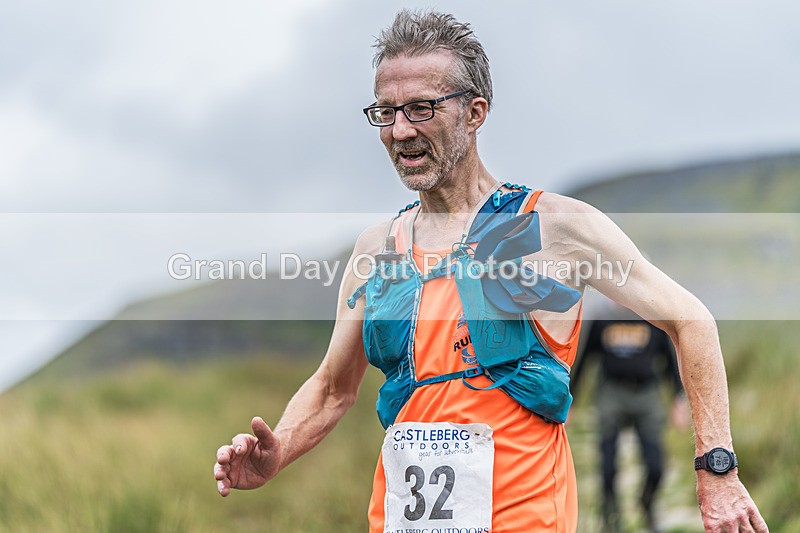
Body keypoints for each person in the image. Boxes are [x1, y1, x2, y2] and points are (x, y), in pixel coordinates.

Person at [213, 9, 768, 532]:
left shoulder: (554, 227)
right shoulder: (374, 250)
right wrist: (278, 449)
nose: (400, 130)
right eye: (386, 112)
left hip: (525, 515)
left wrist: (716, 469)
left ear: (475, 112)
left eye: (422, 108)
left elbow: (690, 320)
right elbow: (333, 389)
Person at [570, 298, 690, 532]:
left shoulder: (653, 318)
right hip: (611, 393)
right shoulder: (603, 319)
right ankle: (610, 517)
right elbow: (585, 359)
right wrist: (571, 398)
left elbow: (669, 359)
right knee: (607, 465)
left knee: (656, 465)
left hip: (647, 395)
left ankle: (647, 503)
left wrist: (678, 399)